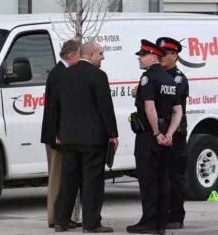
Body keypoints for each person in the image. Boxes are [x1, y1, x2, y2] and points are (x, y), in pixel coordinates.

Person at [50, 41, 119, 233]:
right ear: (90, 55)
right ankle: (91, 223)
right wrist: (113, 134)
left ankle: (61, 221)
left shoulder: (63, 75)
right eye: (101, 54)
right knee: (92, 182)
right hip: (92, 138)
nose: (103, 57)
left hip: (68, 137)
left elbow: (54, 105)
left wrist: (57, 132)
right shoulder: (98, 76)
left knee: (68, 180)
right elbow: (105, 107)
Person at [126, 39, 183, 235]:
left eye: (142, 55)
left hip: (149, 138)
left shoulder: (148, 78)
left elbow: (149, 108)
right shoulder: (169, 79)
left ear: (153, 57)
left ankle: (149, 222)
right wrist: (169, 134)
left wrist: (157, 134)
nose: (139, 59)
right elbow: (178, 112)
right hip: (165, 137)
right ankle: (160, 223)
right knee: (163, 181)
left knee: (148, 181)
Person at [41, 39, 82, 230]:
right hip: (56, 136)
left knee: (61, 176)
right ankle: (56, 216)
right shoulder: (60, 74)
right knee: (57, 177)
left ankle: (61, 215)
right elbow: (54, 107)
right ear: (72, 55)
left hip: (58, 133)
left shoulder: (60, 72)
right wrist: (58, 133)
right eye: (79, 55)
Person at [156, 37, 189, 230]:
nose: (161, 57)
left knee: (174, 176)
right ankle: (164, 212)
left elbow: (170, 100)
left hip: (175, 132)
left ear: (174, 56)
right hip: (161, 131)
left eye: (165, 54)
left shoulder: (177, 78)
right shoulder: (158, 76)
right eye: (159, 54)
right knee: (162, 174)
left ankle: (176, 215)